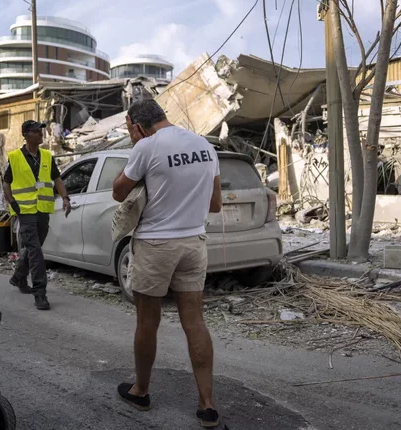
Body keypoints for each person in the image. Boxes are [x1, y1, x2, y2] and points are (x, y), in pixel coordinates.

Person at [111, 99, 223, 428]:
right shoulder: (204, 145)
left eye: (130, 130)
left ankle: (141, 391)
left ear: (135, 125)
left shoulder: (147, 145)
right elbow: (215, 204)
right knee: (195, 322)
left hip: (156, 244)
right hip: (194, 243)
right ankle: (207, 406)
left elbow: (119, 192)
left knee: (147, 322)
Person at [2, 120, 72, 310]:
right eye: (36, 131)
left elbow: (56, 179)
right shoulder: (15, 157)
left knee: (36, 247)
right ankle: (40, 293)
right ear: (26, 135)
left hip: (42, 209)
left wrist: (65, 197)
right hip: (24, 211)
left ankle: (18, 277)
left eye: (41, 131)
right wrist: (12, 202)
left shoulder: (47, 156)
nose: (41, 134)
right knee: (35, 251)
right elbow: (6, 183)